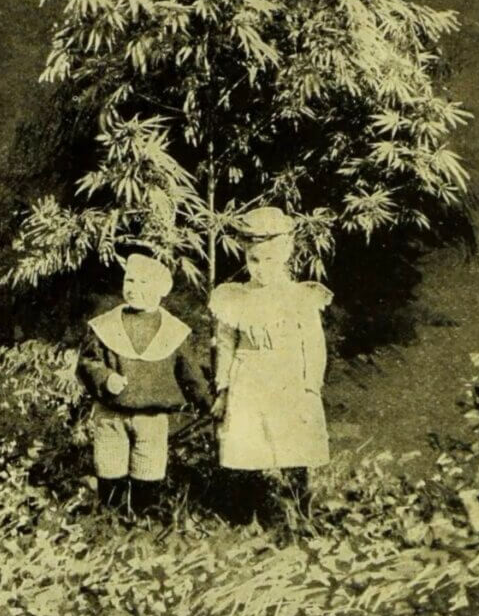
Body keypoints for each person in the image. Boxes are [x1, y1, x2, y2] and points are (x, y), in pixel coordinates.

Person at [208, 207, 332, 527]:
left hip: (287, 378)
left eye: (270, 260)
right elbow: (226, 345)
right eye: (254, 261)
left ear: (286, 254)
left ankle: (298, 516)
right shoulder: (234, 298)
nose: (262, 269)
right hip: (248, 379)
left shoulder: (299, 298)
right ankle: (246, 518)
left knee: (293, 443)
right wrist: (223, 389)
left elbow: (313, 346)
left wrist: (310, 387)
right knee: (247, 444)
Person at [77, 249, 210, 518]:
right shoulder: (106, 325)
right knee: (109, 463)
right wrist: (105, 378)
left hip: (152, 416)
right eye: (130, 280)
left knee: (149, 465)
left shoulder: (172, 331)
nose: (134, 288)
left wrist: (208, 402)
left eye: (143, 282)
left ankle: (144, 516)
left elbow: (190, 373)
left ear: (162, 290)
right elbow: (88, 362)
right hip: (111, 413)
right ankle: (111, 516)